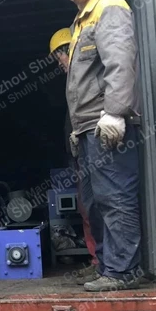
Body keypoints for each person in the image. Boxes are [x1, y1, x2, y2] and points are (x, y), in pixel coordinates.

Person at [52, 0, 142, 291]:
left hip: (106, 125)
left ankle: (124, 271)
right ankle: (106, 265)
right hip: (87, 129)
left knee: (116, 198)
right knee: (94, 202)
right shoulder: (80, 23)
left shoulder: (109, 9)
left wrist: (115, 113)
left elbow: (120, 63)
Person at [49, 28, 99, 283]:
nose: (61, 64)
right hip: (80, 157)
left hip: (96, 152)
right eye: (58, 60)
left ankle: (108, 264)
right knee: (87, 209)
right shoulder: (73, 87)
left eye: (62, 57)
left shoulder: (91, 80)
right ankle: (98, 261)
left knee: (102, 207)